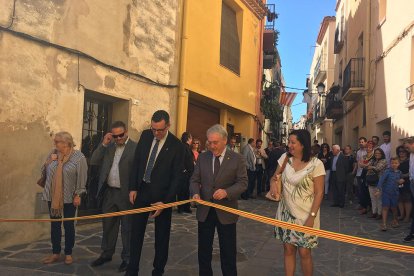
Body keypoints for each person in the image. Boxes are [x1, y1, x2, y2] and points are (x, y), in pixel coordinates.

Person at [127, 110, 184, 276]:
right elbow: (136, 162)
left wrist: (166, 202)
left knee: (161, 238)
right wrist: (133, 187)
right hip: (142, 192)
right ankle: (132, 270)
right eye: (154, 129)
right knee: (135, 234)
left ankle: (158, 271)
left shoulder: (176, 145)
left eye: (160, 130)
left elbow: (177, 178)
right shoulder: (145, 136)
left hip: (161, 198)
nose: (156, 133)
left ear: (168, 126)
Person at [190, 124, 247, 276]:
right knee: (204, 252)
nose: (212, 146)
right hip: (205, 211)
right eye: (209, 142)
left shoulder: (237, 159)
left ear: (225, 141)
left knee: (228, 253)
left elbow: (243, 183)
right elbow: (194, 180)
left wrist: (227, 192)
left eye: (215, 142)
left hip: (226, 212)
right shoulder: (202, 157)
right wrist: (195, 194)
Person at [271, 129, 325, 276]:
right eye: (289, 142)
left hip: (307, 215)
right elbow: (274, 177)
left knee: (304, 252)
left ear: (303, 144)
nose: (289, 145)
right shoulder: (284, 158)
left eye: (293, 142)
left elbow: (319, 192)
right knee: (288, 250)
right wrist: (273, 186)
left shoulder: (316, 164)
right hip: (286, 213)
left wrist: (312, 217)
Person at [90, 121, 137, 272]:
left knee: (127, 228)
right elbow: (94, 160)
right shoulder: (109, 147)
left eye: (121, 135)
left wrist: (136, 191)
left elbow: (139, 172)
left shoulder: (135, 148)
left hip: (126, 193)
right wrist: (103, 144)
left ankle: (127, 258)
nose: (118, 138)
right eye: (115, 136)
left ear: (126, 132)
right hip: (110, 193)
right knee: (108, 225)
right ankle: (106, 253)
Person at [41, 131, 87, 265]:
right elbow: (43, 171)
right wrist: (49, 161)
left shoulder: (78, 157)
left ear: (66, 143)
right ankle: (55, 252)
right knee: (55, 225)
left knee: (68, 225)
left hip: (69, 197)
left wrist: (78, 194)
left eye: (57, 142)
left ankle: (68, 253)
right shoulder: (53, 153)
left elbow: (82, 177)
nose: (54, 144)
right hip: (53, 196)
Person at [376, 157, 403, 231]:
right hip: (386, 193)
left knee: (394, 208)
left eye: (396, 163)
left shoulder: (400, 172)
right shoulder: (387, 172)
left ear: (399, 164)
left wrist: (401, 182)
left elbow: (400, 183)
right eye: (392, 163)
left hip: (395, 193)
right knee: (385, 208)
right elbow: (381, 180)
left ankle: (395, 220)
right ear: (390, 164)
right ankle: (384, 224)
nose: (394, 164)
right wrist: (378, 189)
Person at [366, 148, 387, 219]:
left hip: (379, 182)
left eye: (379, 153)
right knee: (372, 198)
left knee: (379, 198)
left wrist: (371, 167)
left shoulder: (384, 161)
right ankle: (374, 212)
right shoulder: (373, 160)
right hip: (371, 181)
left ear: (382, 154)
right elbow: (366, 166)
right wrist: (369, 166)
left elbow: (378, 168)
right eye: (376, 153)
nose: (377, 155)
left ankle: (379, 213)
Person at [177, 132, 195, 214]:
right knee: (182, 191)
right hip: (184, 174)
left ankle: (186, 207)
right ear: (188, 138)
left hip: (189, 174)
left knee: (187, 191)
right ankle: (181, 208)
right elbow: (181, 160)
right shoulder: (182, 147)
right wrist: (184, 170)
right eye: (191, 138)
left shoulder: (187, 147)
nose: (192, 140)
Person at [358, 140, 375, 215]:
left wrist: (365, 165)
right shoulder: (364, 156)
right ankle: (364, 207)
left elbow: (367, 165)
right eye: (367, 147)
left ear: (373, 148)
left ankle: (371, 207)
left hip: (371, 175)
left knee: (370, 192)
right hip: (364, 174)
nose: (368, 149)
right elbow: (360, 164)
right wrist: (366, 165)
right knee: (363, 191)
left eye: (370, 148)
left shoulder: (374, 157)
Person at [396, 145, 412, 222]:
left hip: (407, 182)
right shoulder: (397, 160)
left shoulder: (409, 160)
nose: (401, 153)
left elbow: (411, 171)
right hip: (398, 182)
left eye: (403, 151)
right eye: (400, 152)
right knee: (399, 199)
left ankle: (407, 216)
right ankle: (402, 215)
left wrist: (404, 176)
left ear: (406, 152)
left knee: (407, 199)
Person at [403, 137, 414, 243]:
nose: (406, 150)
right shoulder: (411, 155)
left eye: (407, 147)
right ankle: (412, 232)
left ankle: (411, 232)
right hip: (412, 182)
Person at [356, 137, 367, 210]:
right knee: (359, 189)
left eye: (362, 142)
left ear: (365, 142)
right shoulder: (358, 152)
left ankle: (366, 205)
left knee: (365, 189)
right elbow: (357, 161)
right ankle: (361, 204)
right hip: (359, 172)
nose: (361, 143)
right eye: (360, 142)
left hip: (366, 172)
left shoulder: (368, 151)